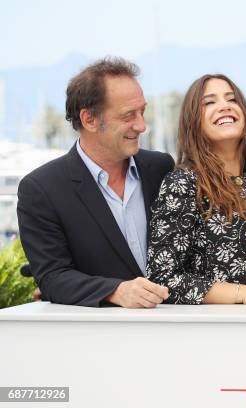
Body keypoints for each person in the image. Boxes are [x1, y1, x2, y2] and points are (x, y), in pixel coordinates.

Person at [17, 57, 174, 308]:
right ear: (89, 119)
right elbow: (53, 277)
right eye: (128, 116)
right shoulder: (41, 189)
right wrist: (115, 290)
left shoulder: (161, 168)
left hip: (179, 326)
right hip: (100, 337)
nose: (142, 125)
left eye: (142, 111)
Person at [145, 74, 246, 307]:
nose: (224, 106)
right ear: (193, 120)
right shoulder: (183, 183)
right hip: (220, 331)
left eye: (232, 99)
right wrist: (244, 294)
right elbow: (163, 278)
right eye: (209, 102)